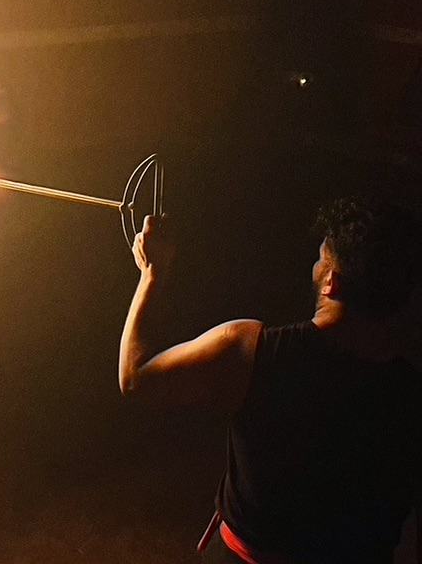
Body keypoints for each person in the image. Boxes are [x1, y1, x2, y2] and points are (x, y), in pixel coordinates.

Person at [118, 199, 421, 563]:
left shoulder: (249, 352)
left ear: (331, 283)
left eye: (320, 258)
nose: (315, 265)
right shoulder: (409, 393)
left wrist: (152, 274)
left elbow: (136, 378)